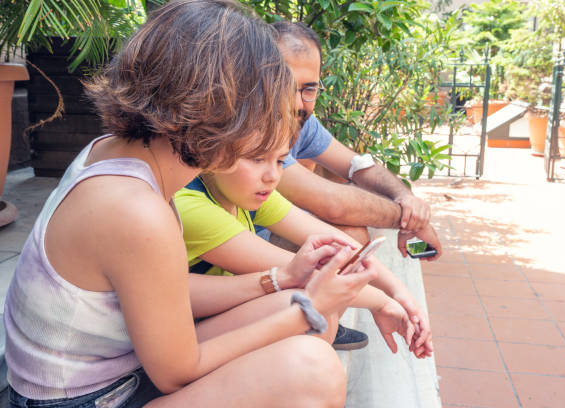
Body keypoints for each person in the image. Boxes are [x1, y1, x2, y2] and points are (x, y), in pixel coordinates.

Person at [2, 1, 377, 407]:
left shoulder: (118, 154)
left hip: (115, 366)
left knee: (299, 315)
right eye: (269, 106)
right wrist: (309, 309)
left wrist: (283, 277)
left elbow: (162, 291)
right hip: (81, 398)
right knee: (312, 366)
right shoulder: (136, 209)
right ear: (225, 109)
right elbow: (176, 375)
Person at [175, 140, 434, 358]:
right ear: (212, 149)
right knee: (311, 314)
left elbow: (336, 241)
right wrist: (382, 302)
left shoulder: (241, 189)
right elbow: (306, 273)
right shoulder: (191, 206)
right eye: (256, 159)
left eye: (279, 161)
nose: (272, 176)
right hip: (177, 339)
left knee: (317, 311)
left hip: (216, 315)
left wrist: (399, 293)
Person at [268, 21, 442, 257]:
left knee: (350, 237)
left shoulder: (302, 122)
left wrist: (405, 197)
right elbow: (332, 203)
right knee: (348, 238)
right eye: (285, 87)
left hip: (262, 239)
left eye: (309, 89)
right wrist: (411, 219)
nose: (298, 103)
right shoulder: (253, 130)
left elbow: (357, 165)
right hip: (231, 256)